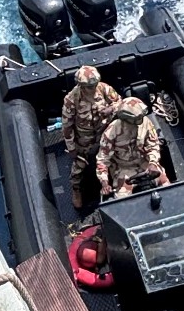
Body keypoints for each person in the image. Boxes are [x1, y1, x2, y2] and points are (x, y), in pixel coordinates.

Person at [61, 65, 120, 209]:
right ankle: (76, 190)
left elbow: (119, 101)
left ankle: (114, 183)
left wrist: (111, 109)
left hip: (105, 132)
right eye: (89, 87)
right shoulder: (72, 99)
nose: (93, 89)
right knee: (79, 167)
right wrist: (71, 147)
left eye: (94, 85)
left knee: (114, 157)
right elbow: (67, 125)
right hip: (84, 138)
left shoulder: (104, 88)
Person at [95, 96, 169, 198]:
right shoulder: (111, 132)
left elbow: (153, 145)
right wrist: (104, 183)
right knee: (122, 199)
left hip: (145, 163)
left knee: (167, 187)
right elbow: (102, 161)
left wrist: (153, 163)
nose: (141, 120)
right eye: (137, 119)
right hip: (124, 169)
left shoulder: (146, 123)